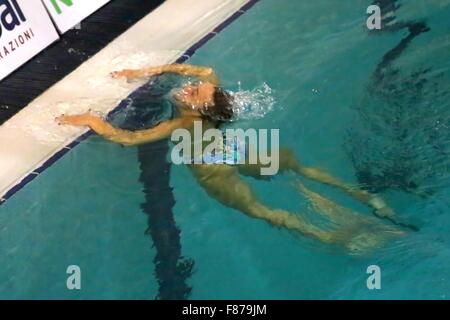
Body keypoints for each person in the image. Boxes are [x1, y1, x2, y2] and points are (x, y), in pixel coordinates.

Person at [56, 63, 404, 253]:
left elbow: (128, 138)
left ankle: (328, 238)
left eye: (193, 93)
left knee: (260, 211)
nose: (189, 88)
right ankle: (367, 197)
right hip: (234, 147)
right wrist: (149, 71)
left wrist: (90, 120)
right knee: (296, 165)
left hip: (213, 170)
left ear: (202, 108)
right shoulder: (210, 109)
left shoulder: (180, 123)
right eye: (193, 89)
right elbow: (206, 74)